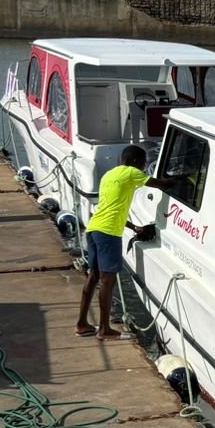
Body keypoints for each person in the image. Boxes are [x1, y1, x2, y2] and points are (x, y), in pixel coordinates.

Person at [75, 145, 171, 340]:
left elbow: (110, 207)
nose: (144, 167)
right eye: (143, 163)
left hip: (94, 228)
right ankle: (104, 329)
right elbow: (159, 183)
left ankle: (82, 323)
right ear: (135, 161)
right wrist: (181, 181)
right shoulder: (132, 173)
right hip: (108, 233)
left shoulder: (109, 175)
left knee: (93, 277)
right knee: (107, 280)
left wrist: (132, 227)